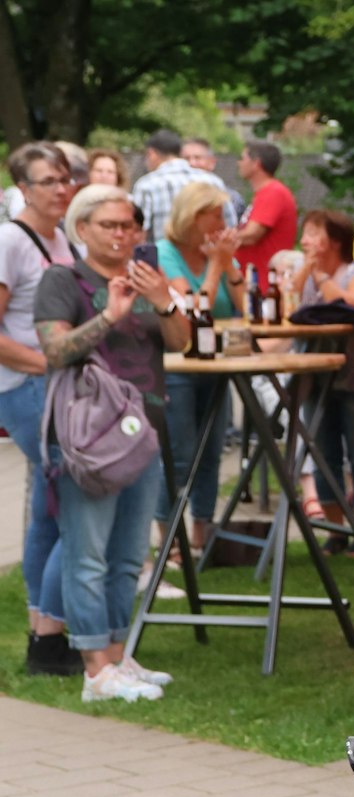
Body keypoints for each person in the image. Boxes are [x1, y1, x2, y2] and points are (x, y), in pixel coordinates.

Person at [34, 184, 187, 701]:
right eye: (110, 225)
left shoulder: (147, 282)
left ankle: (120, 657)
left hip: (143, 434)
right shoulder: (64, 279)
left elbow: (181, 343)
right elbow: (54, 350)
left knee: (127, 556)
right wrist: (109, 316)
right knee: (88, 554)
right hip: (89, 440)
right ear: (82, 229)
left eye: (130, 226)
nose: (123, 234)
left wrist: (164, 302)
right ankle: (96, 669)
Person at [0, 143, 78, 676]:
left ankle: (45, 636)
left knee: (51, 506)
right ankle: (49, 638)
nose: (61, 189)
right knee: (73, 503)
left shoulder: (62, 237)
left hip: (60, 387)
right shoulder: (10, 240)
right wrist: (44, 366)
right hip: (28, 389)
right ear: (23, 189)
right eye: (49, 181)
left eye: (65, 180)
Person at [155, 182, 246, 565]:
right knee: (179, 455)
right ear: (194, 217)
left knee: (211, 453)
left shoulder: (220, 253)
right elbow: (193, 312)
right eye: (217, 215)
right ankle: (168, 539)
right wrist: (215, 266)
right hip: (177, 367)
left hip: (217, 365)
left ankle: (202, 535)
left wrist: (228, 266)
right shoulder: (166, 255)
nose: (224, 223)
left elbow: (246, 309)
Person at [292, 210, 354, 555]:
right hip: (315, 377)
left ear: (335, 240)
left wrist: (321, 276)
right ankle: (335, 531)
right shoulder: (305, 271)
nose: (305, 241)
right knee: (323, 454)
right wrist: (307, 271)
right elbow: (288, 299)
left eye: (313, 233)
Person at [129, 130, 231, 239]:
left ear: (152, 153)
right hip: (208, 254)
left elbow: (138, 232)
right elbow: (230, 227)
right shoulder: (213, 182)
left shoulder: (146, 185)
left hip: (161, 255)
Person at [232, 141, 295, 287]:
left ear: (256, 164)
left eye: (243, 158)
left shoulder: (272, 192)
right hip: (255, 282)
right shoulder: (265, 193)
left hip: (263, 283)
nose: (238, 163)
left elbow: (252, 234)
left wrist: (221, 239)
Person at [179, 137, 243, 220]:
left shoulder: (231, 198)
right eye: (186, 158)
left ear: (212, 162)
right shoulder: (172, 193)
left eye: (197, 158)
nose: (192, 163)